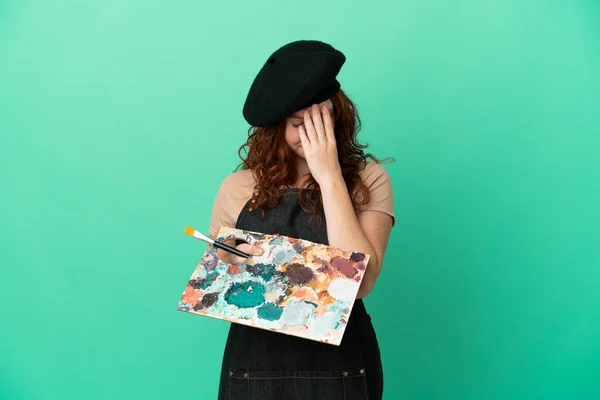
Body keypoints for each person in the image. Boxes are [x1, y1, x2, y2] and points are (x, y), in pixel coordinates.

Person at [208, 40, 395, 400]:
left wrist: (329, 176)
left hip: (340, 364)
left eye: (320, 122)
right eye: (297, 124)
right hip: (254, 365)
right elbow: (219, 284)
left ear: (338, 118)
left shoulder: (369, 179)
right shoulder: (237, 187)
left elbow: (360, 283)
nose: (310, 136)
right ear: (277, 126)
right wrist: (229, 259)